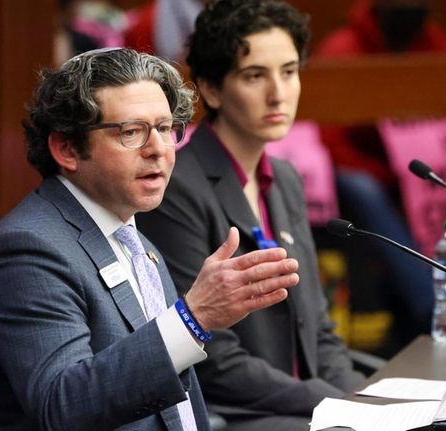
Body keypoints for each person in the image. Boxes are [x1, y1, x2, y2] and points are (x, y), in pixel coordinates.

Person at [0, 47, 300, 430]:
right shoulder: (27, 248)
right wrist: (193, 318)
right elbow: (63, 403)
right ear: (67, 148)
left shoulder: (136, 240)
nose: (159, 150)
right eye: (131, 132)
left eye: (166, 129)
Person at [135, 1, 365, 430]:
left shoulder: (285, 178)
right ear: (211, 89)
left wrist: (361, 400)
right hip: (244, 415)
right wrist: (340, 405)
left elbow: (319, 327)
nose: (278, 92)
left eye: (289, 71)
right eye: (255, 76)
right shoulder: (177, 188)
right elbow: (211, 357)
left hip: (313, 408)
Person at [313, 0, 446, 344]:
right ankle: (432, 306)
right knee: (365, 189)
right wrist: (388, 172)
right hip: (357, 169)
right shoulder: (342, 50)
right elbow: (328, 140)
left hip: (411, 166)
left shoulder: (433, 42)